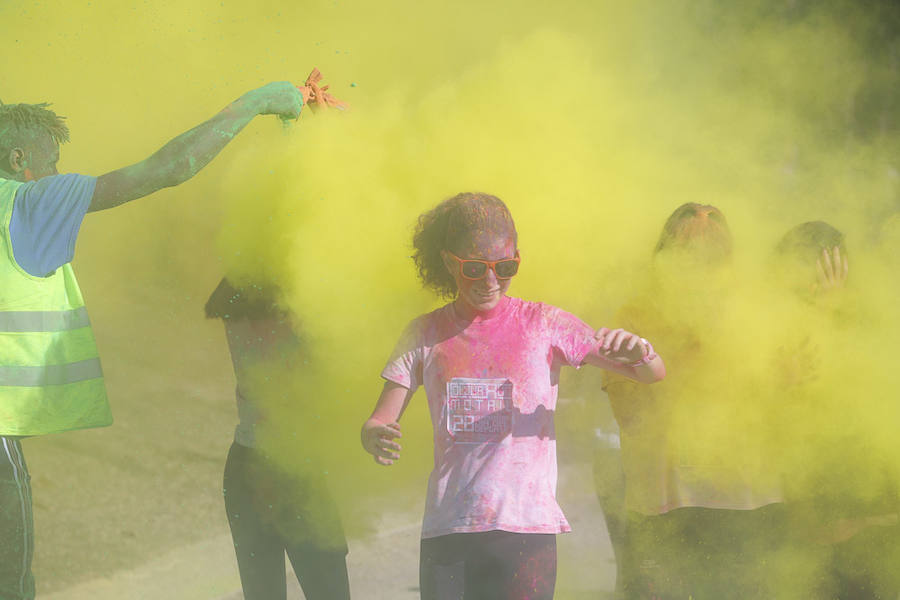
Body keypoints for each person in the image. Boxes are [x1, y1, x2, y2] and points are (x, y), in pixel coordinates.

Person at [0, 74, 331, 599]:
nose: (58, 174)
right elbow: (171, 168)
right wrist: (255, 103)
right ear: (20, 162)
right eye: (53, 162)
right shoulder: (27, 201)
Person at [360, 192, 665, 600]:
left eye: (504, 268)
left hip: (526, 531)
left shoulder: (544, 323)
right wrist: (374, 434)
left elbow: (650, 375)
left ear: (517, 259)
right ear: (450, 262)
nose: (490, 281)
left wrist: (642, 351)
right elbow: (380, 418)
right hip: (450, 530)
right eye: (474, 268)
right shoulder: (425, 333)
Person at [603, 203, 786, 599]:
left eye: (712, 253)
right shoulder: (636, 317)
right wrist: (680, 351)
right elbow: (630, 418)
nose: (700, 262)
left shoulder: (754, 314)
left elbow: (781, 415)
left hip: (743, 506)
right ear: (664, 255)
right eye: (687, 251)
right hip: (665, 508)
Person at [774, 222, 899, 600]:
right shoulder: (774, 322)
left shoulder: (868, 316)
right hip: (815, 501)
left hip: (865, 499)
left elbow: (862, 390)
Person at [205, 279, 351, 600]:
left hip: (246, 464)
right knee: (329, 589)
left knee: (263, 591)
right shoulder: (298, 313)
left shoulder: (235, 302)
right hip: (294, 468)